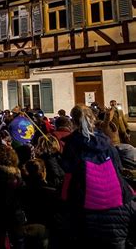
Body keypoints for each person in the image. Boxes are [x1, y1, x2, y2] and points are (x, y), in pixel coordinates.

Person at [61, 105, 135, 249]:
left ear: (73, 122)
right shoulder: (107, 143)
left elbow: (67, 170)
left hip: (87, 209)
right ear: (93, 119)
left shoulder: (72, 145)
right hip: (117, 204)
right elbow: (118, 168)